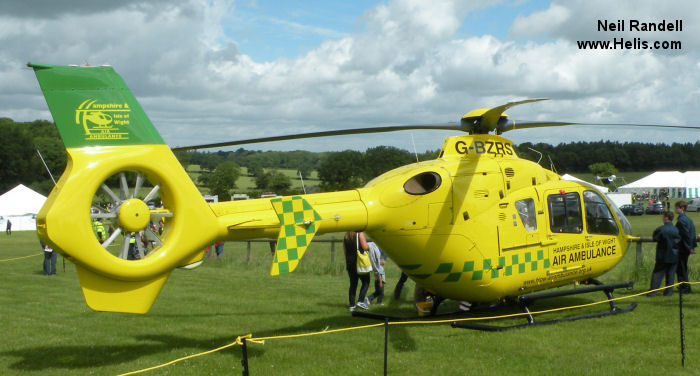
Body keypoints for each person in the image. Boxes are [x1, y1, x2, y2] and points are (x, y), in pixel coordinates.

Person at [648, 211, 680, 297]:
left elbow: (655, 238)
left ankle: (653, 292)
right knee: (671, 275)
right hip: (674, 255)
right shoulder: (676, 229)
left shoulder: (661, 229)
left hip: (663, 255)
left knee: (657, 274)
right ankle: (668, 292)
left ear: (666, 217)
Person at [343, 231, 370, 311]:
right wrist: (370, 246)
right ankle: (360, 301)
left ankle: (352, 305)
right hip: (359, 263)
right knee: (366, 281)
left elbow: (345, 251)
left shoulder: (346, 236)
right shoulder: (359, 234)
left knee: (353, 284)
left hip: (349, 263)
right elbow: (365, 247)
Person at [675, 201, 697, 293]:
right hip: (686, 247)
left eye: (676, 208)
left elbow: (686, 235)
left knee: (681, 268)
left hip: (683, 248)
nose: (675, 209)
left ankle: (685, 287)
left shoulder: (681, 220)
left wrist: (689, 247)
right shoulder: (688, 219)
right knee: (682, 267)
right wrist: (693, 246)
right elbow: (693, 233)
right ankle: (683, 286)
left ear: (682, 208)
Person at [366, 240, 386, 305]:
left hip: (377, 280)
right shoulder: (379, 267)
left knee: (377, 292)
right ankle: (378, 303)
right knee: (381, 293)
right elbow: (379, 274)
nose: (383, 262)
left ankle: (369, 299)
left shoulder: (378, 266)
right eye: (382, 261)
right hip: (379, 281)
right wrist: (380, 282)